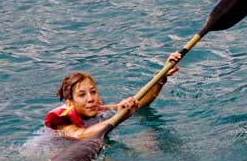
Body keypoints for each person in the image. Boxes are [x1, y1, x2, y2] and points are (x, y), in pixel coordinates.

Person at [44, 52, 182, 140]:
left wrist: (161, 78)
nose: (91, 98)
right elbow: (79, 135)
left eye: (93, 91)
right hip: (52, 155)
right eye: (82, 95)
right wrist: (120, 118)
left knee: (150, 140)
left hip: (90, 148)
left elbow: (140, 104)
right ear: (70, 103)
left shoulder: (97, 109)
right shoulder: (62, 121)